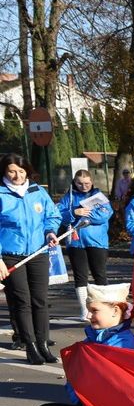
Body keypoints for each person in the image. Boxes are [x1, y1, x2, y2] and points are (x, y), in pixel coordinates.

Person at [0, 153, 61, 364]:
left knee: (40, 300)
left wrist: (50, 232)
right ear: (5, 172)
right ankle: (30, 345)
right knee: (22, 301)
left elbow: (52, 215)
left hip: (38, 253)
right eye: (12, 171)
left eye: (21, 170)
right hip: (9, 256)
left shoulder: (37, 191)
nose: (17, 175)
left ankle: (44, 343)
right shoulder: (1, 193)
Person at [59, 169, 114, 320]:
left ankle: (104, 308)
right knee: (80, 276)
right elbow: (59, 215)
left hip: (97, 242)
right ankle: (85, 310)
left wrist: (87, 215)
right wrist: (74, 212)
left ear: (92, 182)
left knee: (100, 275)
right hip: (76, 242)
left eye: (87, 183)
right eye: (80, 183)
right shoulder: (68, 197)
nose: (84, 186)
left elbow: (105, 214)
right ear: (74, 182)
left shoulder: (99, 196)